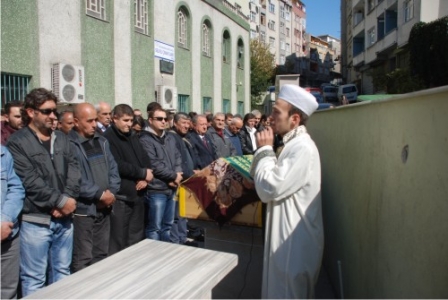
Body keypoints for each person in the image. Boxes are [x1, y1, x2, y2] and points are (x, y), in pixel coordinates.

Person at [250, 84, 323, 299]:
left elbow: (269, 188)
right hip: (286, 242)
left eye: (276, 112)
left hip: (293, 247)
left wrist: (264, 149)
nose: (270, 118)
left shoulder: (302, 148)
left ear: (295, 119)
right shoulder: (292, 145)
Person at [7, 88, 81, 296]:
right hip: (36, 221)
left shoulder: (62, 139)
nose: (52, 116)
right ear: (31, 112)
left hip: (65, 220)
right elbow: (29, 181)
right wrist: (58, 201)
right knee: (34, 279)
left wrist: (68, 200)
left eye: (54, 112)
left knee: (62, 272)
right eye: (47, 111)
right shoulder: (18, 142)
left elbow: (74, 170)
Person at [68, 103, 121, 272]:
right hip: (84, 210)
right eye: (89, 121)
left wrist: (111, 193)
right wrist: (99, 195)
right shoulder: (69, 144)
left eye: (95, 120)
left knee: (101, 254)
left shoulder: (102, 141)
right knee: (83, 257)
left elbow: (114, 169)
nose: (94, 124)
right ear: (76, 121)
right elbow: (73, 178)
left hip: (105, 207)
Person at [103, 104, 153, 255]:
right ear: (115, 118)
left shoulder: (132, 135)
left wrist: (146, 177)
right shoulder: (108, 138)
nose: (129, 124)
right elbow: (117, 165)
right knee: (119, 240)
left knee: (136, 239)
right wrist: (142, 173)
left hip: (138, 194)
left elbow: (144, 158)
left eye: (131, 120)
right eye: (125, 120)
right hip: (121, 197)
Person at [139, 108, 182, 241]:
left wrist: (178, 174)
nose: (163, 121)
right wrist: (173, 176)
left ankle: (166, 256)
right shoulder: (145, 139)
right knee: (155, 227)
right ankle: (153, 258)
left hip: (171, 188)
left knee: (168, 226)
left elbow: (177, 157)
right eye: (159, 119)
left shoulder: (169, 137)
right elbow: (154, 164)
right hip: (156, 189)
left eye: (165, 119)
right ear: (150, 120)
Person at [169, 113, 199, 246]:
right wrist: (188, 173)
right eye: (183, 123)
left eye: (188, 123)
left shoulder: (183, 138)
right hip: (178, 180)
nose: (186, 126)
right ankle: (177, 241)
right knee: (175, 215)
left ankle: (182, 238)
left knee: (182, 213)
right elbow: (177, 161)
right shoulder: (172, 137)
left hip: (187, 180)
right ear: (175, 123)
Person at [1, 146, 25, 299]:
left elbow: (16, 188)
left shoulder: (3, 153)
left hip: (7, 235)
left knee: (8, 291)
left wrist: (4, 219)